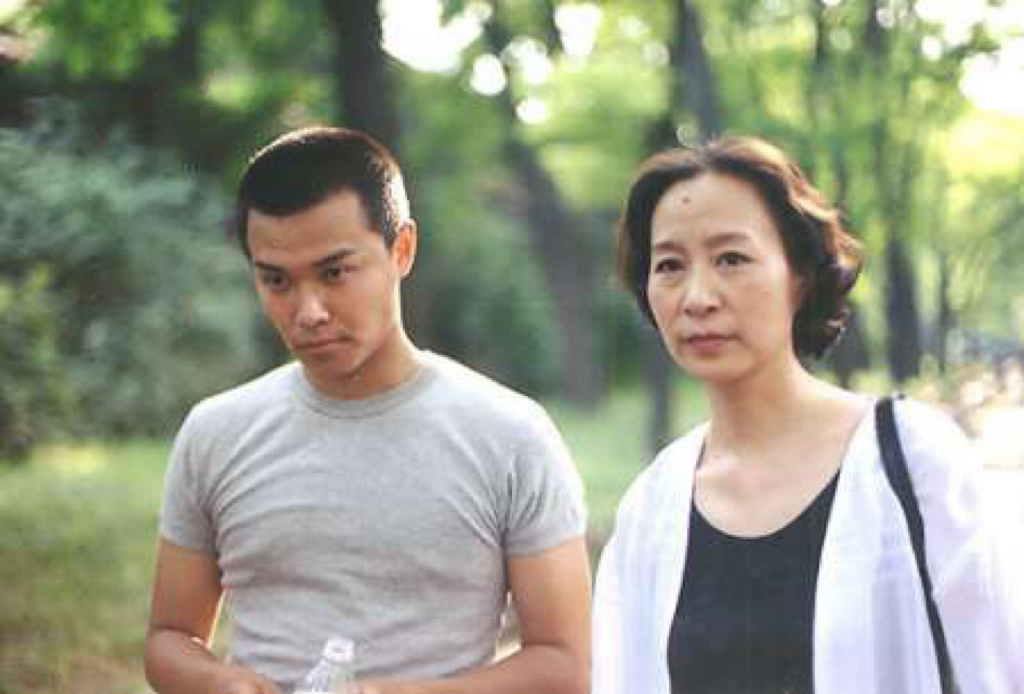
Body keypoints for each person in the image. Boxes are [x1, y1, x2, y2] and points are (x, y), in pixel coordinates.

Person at [144, 126, 591, 694]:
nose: (308, 311)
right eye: (276, 280)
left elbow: (564, 665)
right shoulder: (216, 432)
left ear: (402, 249)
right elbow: (170, 638)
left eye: (334, 273)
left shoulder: (510, 435)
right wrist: (217, 683)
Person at [592, 136, 1023, 694]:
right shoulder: (653, 506)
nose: (697, 297)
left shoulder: (911, 459)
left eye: (731, 259)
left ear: (800, 275)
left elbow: (999, 665)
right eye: (670, 265)